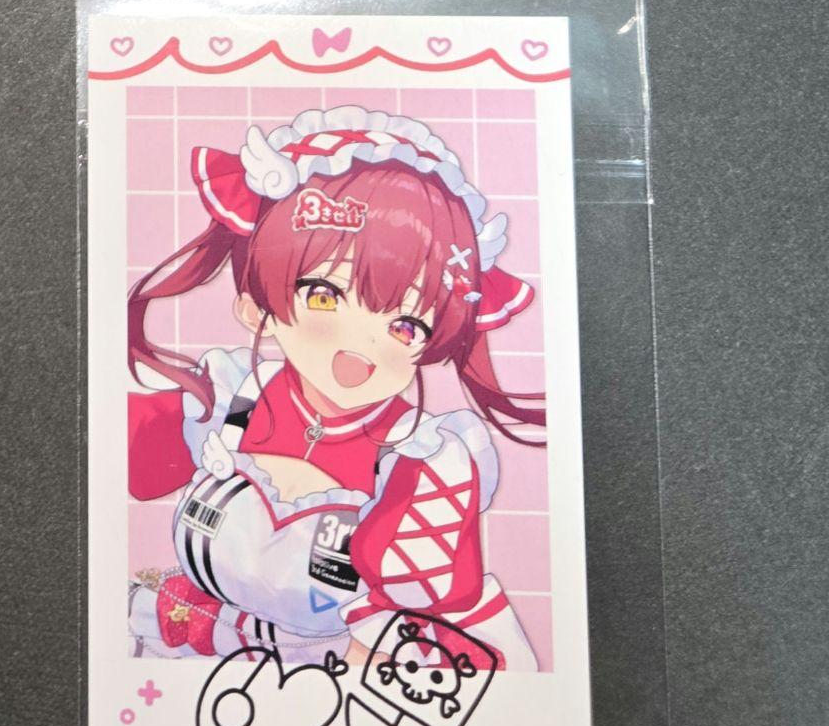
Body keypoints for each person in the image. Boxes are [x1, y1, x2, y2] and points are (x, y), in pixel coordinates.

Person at [127, 105, 543, 670]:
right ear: (256, 307)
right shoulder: (225, 398)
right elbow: (115, 470)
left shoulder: (424, 462)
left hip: (328, 685)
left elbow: (430, 617)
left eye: (405, 325)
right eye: (325, 296)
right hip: (179, 646)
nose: (360, 346)